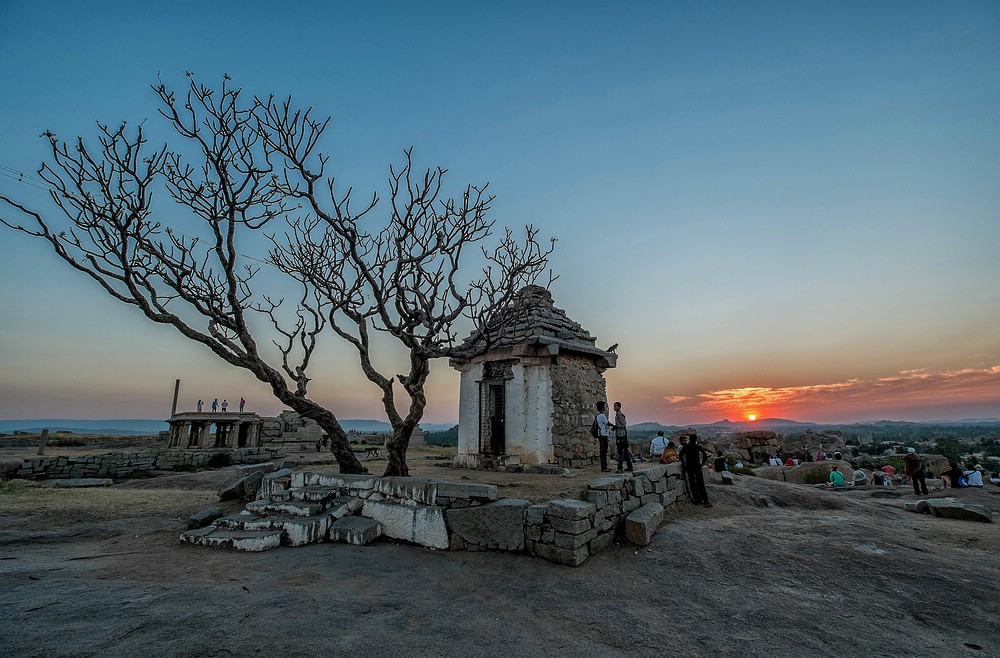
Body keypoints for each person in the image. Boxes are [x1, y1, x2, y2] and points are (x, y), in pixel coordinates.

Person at [679, 434, 711, 506]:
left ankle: (696, 499)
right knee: (700, 483)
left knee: (692, 483)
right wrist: (702, 463)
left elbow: (680, 455)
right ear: (696, 439)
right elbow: (704, 455)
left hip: (689, 466)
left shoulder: (686, 447)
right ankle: (706, 501)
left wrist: (684, 463)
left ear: (690, 439)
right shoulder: (697, 446)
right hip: (697, 465)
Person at [612, 401, 633, 473]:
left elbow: (623, 425)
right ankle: (629, 466)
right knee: (626, 451)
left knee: (621, 452)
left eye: (615, 406)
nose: (614, 408)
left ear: (619, 407)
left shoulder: (620, 415)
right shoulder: (618, 415)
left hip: (621, 436)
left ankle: (620, 468)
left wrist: (616, 427)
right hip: (622, 436)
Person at [594, 401, 611, 473]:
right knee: (603, 451)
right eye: (604, 406)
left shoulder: (597, 415)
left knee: (603, 451)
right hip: (603, 435)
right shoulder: (602, 416)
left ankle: (604, 466)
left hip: (601, 434)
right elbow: (607, 424)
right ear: (602, 407)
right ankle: (604, 467)